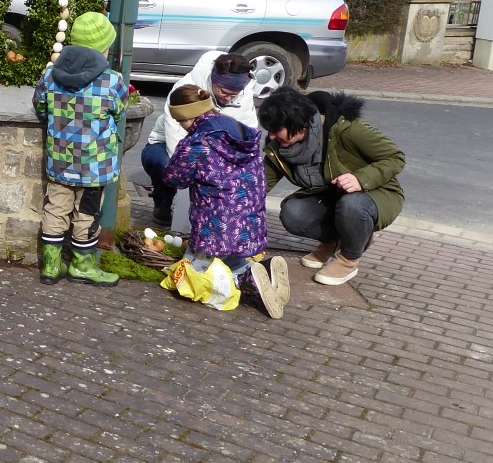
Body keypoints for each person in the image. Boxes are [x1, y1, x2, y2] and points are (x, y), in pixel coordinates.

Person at [160, 85, 287, 320]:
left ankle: (248, 277)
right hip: (250, 211)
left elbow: (174, 178)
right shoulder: (238, 128)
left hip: (216, 216)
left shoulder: (196, 143)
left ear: (188, 116)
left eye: (180, 121)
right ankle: (264, 269)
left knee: (203, 268)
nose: (180, 126)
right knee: (230, 252)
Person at [257, 87, 405, 286]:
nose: (272, 136)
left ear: (298, 124)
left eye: (276, 130)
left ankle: (348, 259)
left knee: (352, 206)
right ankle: (334, 241)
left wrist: (360, 179)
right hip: (331, 197)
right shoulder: (280, 148)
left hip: (374, 194)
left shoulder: (347, 129)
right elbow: (258, 185)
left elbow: (395, 157)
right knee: (293, 213)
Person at [31, 11, 127, 287]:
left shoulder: (51, 76)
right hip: (94, 166)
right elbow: (119, 111)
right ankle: (82, 266)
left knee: (55, 208)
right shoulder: (112, 81)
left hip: (60, 160)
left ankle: (51, 266)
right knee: (87, 214)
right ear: (104, 47)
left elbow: (40, 106)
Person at [141, 52, 261, 229]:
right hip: (171, 145)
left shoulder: (244, 94)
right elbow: (176, 138)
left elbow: (247, 134)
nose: (229, 98)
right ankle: (163, 203)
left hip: (216, 151)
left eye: (234, 95)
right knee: (165, 164)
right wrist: (191, 170)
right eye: (224, 92)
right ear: (213, 81)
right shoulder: (185, 89)